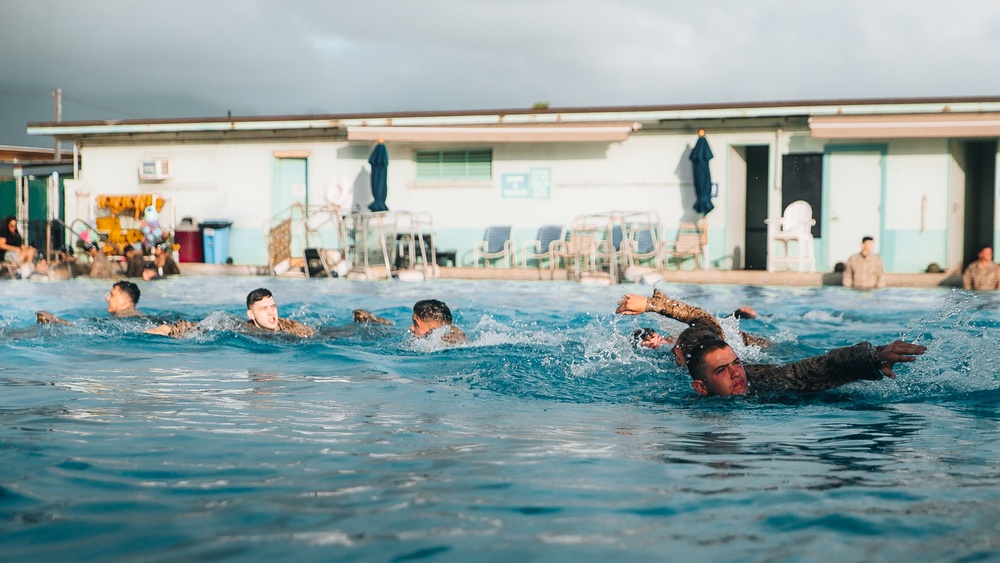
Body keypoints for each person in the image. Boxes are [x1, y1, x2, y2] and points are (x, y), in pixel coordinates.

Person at [681, 333, 926, 397]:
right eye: (722, 370)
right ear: (700, 388)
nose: (736, 374)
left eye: (736, 364)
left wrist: (874, 356)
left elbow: (821, 366)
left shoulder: (767, 383)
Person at [616, 288, 767, 348]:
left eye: (653, 338)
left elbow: (704, 320)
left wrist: (653, 304)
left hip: (752, 343)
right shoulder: (675, 345)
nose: (655, 343)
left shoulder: (675, 340)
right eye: (649, 345)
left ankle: (740, 313)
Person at [146, 287, 314, 337]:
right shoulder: (242, 329)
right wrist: (167, 329)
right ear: (251, 315)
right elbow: (204, 326)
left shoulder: (292, 328)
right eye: (263, 309)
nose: (271, 313)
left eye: (273, 306)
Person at [36, 280, 144, 324]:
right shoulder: (141, 317)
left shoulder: (121, 319)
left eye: (112, 295)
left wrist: (55, 320)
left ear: (124, 301)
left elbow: (83, 327)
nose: (107, 298)